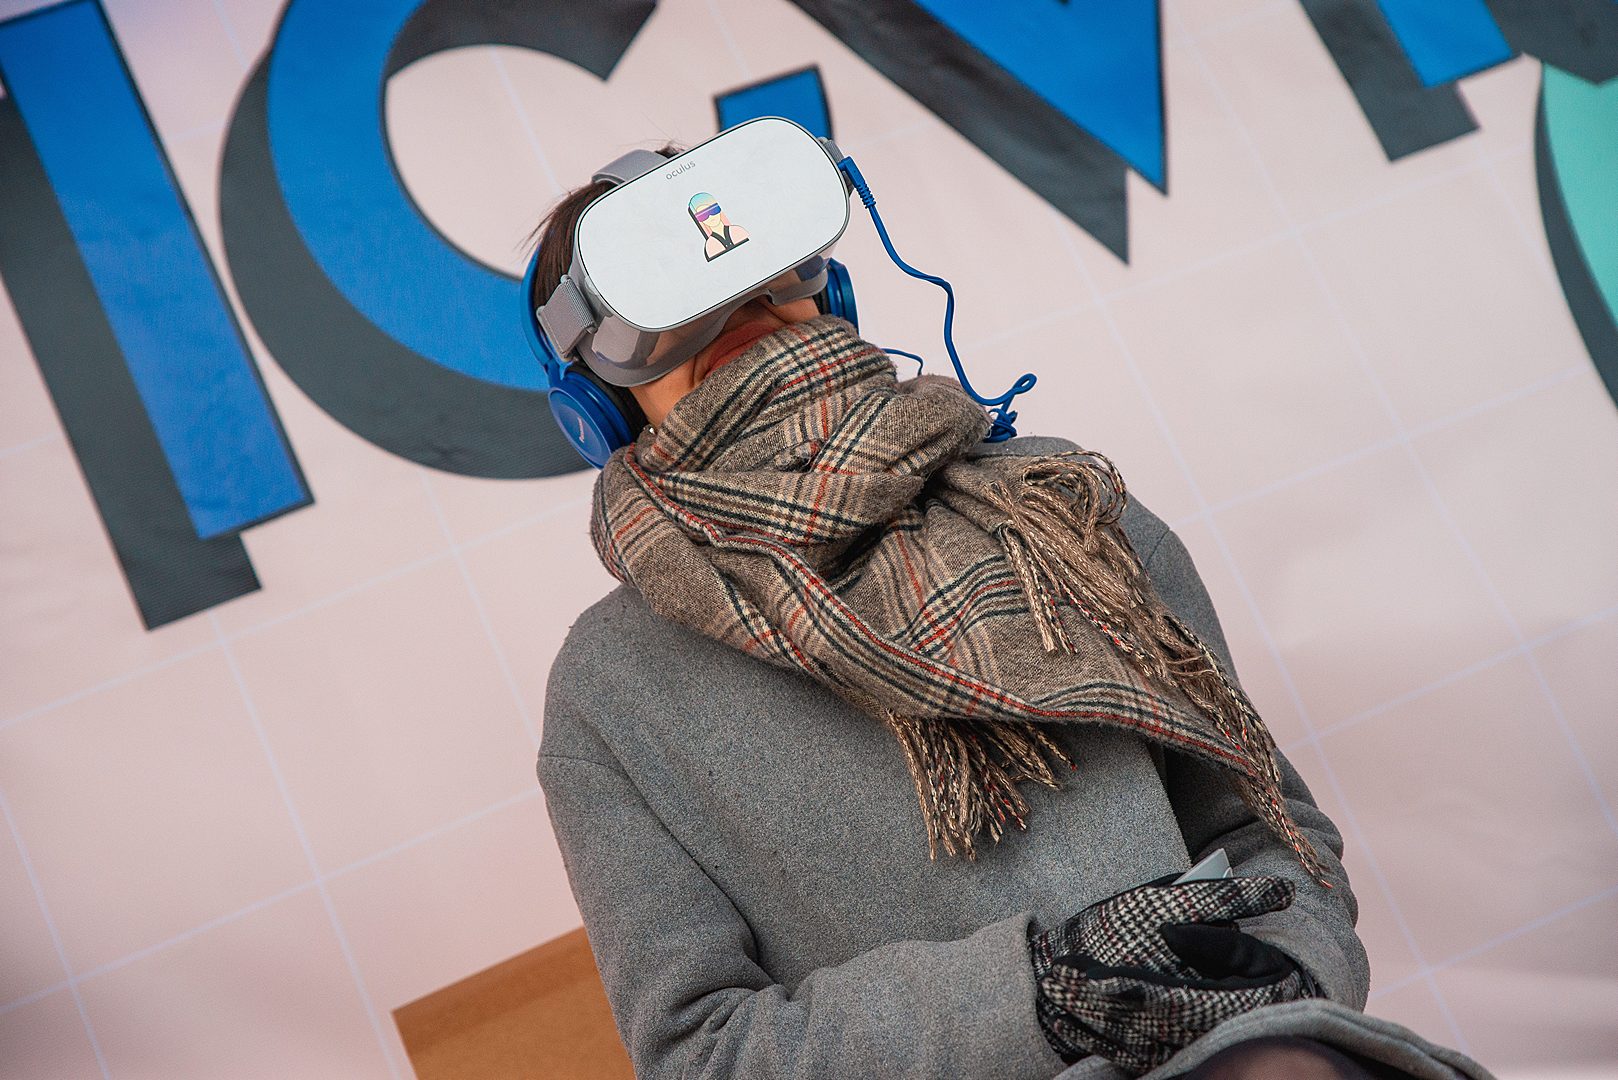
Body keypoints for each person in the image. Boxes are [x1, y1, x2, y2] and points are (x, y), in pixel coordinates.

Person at [528, 144, 1492, 1080]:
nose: (736, 309)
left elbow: (1271, 837)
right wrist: (1037, 996)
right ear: (600, 405)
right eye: (667, 302)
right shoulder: (608, 693)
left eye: (760, 270)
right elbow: (702, 1053)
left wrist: (1288, 984)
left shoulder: (1056, 506)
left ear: (829, 289)